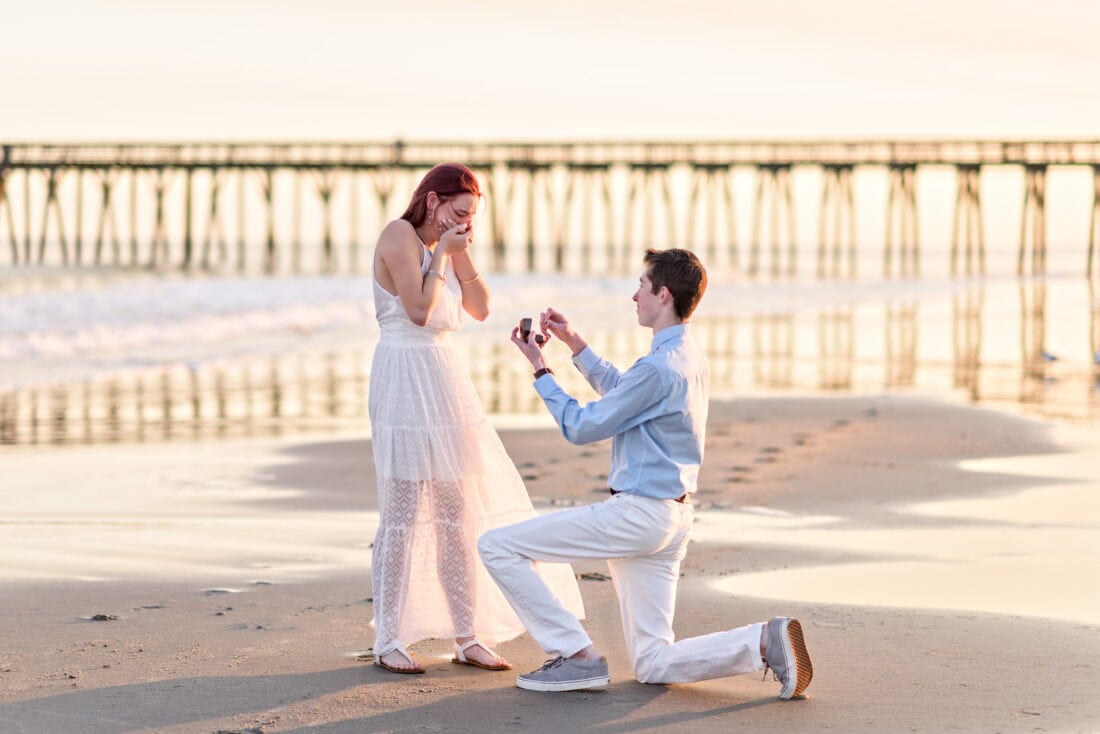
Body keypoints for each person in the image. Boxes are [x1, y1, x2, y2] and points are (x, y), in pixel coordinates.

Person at [478, 248, 814, 697]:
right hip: (670, 520)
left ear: (663, 294)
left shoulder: (659, 366)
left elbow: (581, 427)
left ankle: (575, 655)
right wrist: (576, 345)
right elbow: (628, 394)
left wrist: (541, 370)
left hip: (636, 516)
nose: (634, 296)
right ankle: (761, 641)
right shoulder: (686, 354)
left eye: (641, 286)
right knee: (653, 662)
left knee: (497, 546)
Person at [368, 163, 583, 674]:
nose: (463, 222)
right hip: (403, 373)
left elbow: (480, 308)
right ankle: (389, 637)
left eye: (472, 216)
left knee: (456, 514)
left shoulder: (451, 245)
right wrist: (441, 253)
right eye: (458, 212)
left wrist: (461, 256)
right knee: (402, 513)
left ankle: (467, 636)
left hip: (445, 378)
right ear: (432, 200)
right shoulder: (398, 235)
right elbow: (419, 310)